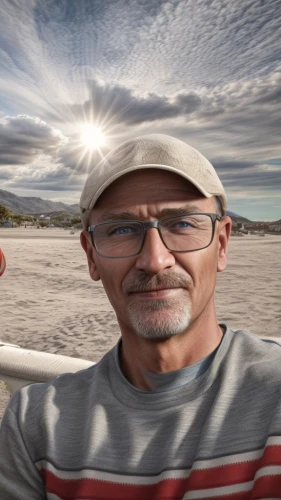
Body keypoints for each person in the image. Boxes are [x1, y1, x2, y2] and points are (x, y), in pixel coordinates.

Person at [0, 134, 281, 499]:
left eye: (182, 224)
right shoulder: (35, 423)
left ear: (222, 243)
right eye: (121, 229)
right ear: (91, 256)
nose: (154, 260)